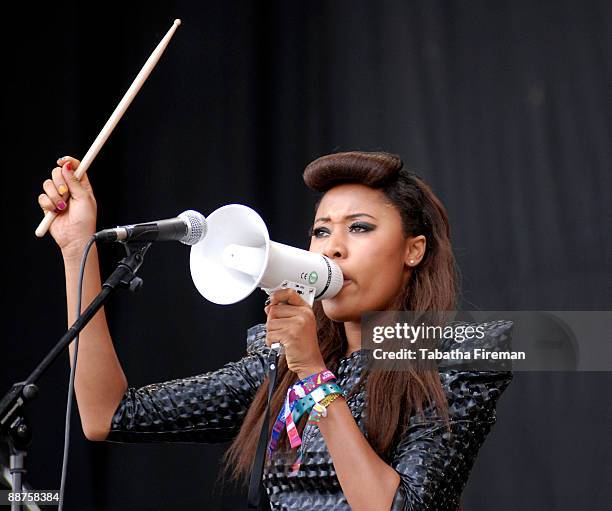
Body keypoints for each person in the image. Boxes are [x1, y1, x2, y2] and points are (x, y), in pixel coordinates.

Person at [37, 151, 513, 510]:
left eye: (361, 228)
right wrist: (78, 248)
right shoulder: (275, 360)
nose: (334, 250)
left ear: (413, 250)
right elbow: (109, 415)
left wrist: (313, 375)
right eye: (321, 231)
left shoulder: (456, 357)